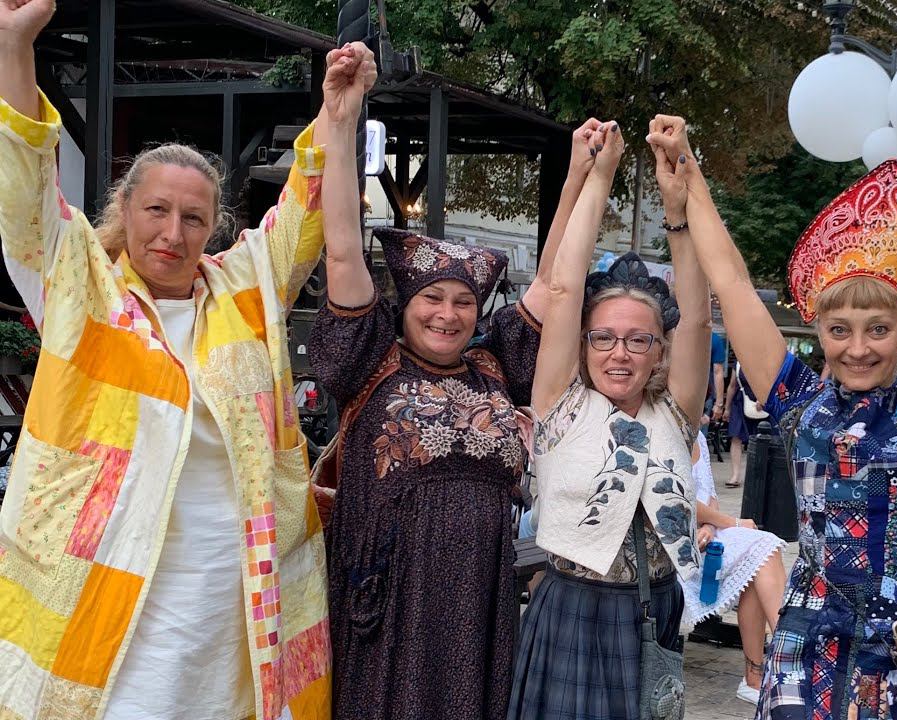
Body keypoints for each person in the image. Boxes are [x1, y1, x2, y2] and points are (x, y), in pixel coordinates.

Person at [648, 29, 897, 718]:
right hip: (815, 655)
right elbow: (732, 284)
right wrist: (691, 176)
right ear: (819, 332)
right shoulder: (798, 402)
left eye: (878, 329)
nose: (858, 348)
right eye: (839, 330)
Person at [0, 0, 373, 715]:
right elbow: (23, 193)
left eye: (194, 217)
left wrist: (338, 112)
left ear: (213, 227)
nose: (173, 233)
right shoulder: (80, 285)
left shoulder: (244, 289)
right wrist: (15, 46)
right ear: (125, 209)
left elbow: (306, 208)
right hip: (102, 595)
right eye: (156, 211)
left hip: (233, 601)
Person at [309, 113, 607, 718]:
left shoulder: (494, 365)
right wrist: (339, 122)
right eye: (432, 298)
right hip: (390, 602)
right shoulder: (370, 359)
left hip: (479, 602)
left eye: (464, 302)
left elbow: (552, 282)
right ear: (405, 305)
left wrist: (579, 171)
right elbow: (341, 251)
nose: (448, 315)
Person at [507, 119, 710, 720]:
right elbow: (563, 291)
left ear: (659, 350)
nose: (619, 353)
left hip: (654, 610)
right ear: (584, 343)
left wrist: (678, 212)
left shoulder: (675, 412)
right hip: (573, 610)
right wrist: (599, 176)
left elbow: (698, 319)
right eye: (604, 337)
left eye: (638, 340)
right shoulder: (562, 405)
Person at [682, 432, 788, 705]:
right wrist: (734, 522)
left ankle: (766, 669)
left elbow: (710, 496)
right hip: (673, 540)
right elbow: (674, 497)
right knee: (758, 547)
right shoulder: (663, 429)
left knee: (763, 548)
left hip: (706, 535)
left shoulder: (699, 437)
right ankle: (783, 665)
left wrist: (710, 526)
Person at [724, 358, 765, 488]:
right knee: (735, 437)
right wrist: (727, 408)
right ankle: (735, 475)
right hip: (740, 402)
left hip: (761, 403)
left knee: (761, 439)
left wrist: (763, 398)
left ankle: (758, 475)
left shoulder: (765, 359)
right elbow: (732, 385)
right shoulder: (738, 362)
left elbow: (773, 381)